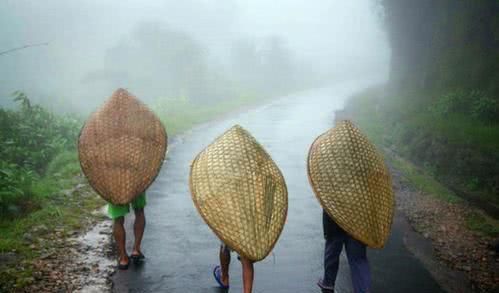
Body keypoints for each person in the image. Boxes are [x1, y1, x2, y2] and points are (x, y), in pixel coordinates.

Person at [317, 210, 371, 293]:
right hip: (357, 221)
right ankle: (362, 290)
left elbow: (325, 200)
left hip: (334, 220)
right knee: (358, 260)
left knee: (331, 254)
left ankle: (328, 283)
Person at [108, 192, 147, 270]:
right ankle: (136, 250)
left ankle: (123, 257)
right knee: (139, 211)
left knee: (118, 218)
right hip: (136, 181)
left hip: (115, 183)